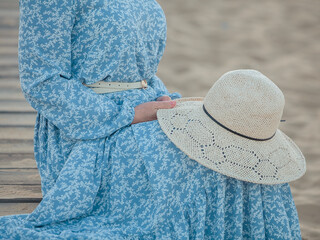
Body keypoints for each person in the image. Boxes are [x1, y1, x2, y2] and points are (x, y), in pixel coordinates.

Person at [0, 0, 304, 239]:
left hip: (146, 109)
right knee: (199, 161)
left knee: (241, 150)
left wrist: (160, 99)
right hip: (87, 131)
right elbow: (42, 83)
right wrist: (129, 114)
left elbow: (138, 71)